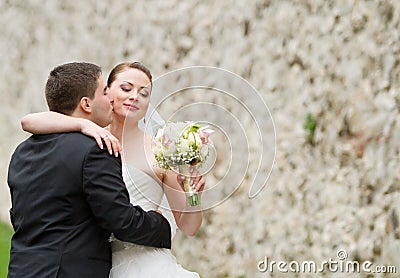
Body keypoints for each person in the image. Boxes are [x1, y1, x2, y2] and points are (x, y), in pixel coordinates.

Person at [21, 62, 205, 277]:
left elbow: (189, 228)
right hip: (96, 262)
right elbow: (29, 120)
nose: (135, 96)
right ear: (107, 93)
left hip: (147, 264)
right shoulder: (89, 139)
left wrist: (194, 197)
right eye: (126, 89)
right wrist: (84, 125)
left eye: (144, 93)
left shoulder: (161, 151)